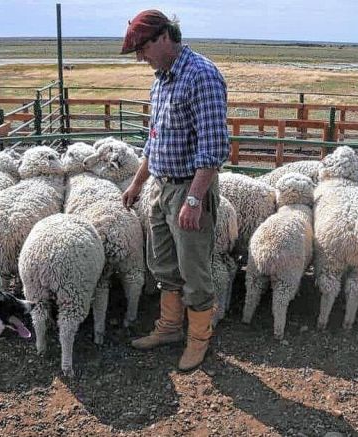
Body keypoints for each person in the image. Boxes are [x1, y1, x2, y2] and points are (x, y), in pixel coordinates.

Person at [120, 9, 230, 372]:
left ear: (165, 36)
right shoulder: (161, 80)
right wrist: (137, 183)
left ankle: (199, 339)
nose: (140, 56)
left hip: (189, 189)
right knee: (163, 264)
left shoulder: (202, 76)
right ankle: (169, 327)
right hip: (161, 187)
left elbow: (213, 148)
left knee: (194, 270)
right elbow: (155, 139)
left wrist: (196, 199)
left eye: (143, 47)